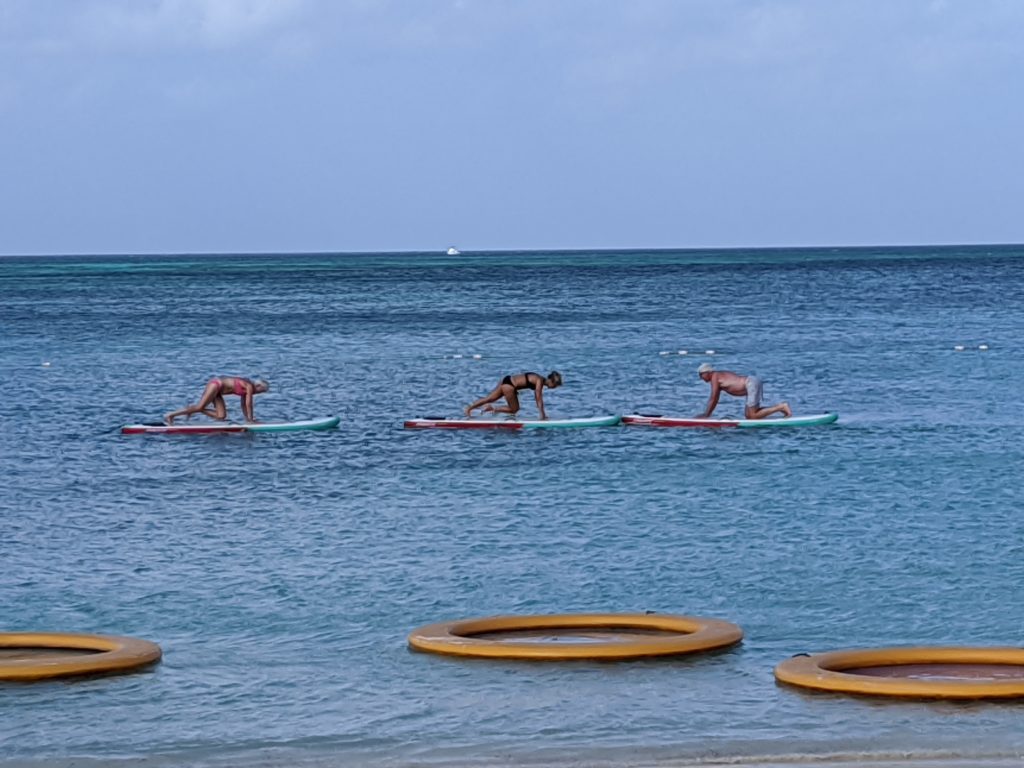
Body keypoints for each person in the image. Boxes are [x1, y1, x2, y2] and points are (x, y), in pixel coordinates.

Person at [697, 363, 791, 420]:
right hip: (752, 382)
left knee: (752, 416)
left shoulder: (715, 376)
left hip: (750, 383)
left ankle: (781, 407)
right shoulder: (718, 377)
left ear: (708, 372)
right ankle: (781, 408)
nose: (700, 378)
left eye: (701, 375)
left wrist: (706, 415)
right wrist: (708, 414)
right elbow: (715, 399)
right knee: (749, 416)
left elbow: (713, 398)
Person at [165, 376, 270, 425]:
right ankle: (171, 415)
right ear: (258, 386)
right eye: (262, 391)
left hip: (218, 392)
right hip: (216, 385)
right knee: (199, 407)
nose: (261, 393)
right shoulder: (249, 386)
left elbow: (243, 405)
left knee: (221, 416)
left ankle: (192, 409)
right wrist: (251, 420)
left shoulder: (247, 390)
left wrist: (248, 419)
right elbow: (249, 404)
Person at [465, 371, 562, 420]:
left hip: (507, 380)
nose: (554, 388)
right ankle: (492, 408)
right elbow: (538, 398)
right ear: (551, 381)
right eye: (555, 385)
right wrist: (543, 416)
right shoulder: (539, 381)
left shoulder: (538, 377)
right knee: (514, 409)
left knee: (489, 398)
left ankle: (469, 409)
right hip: (510, 386)